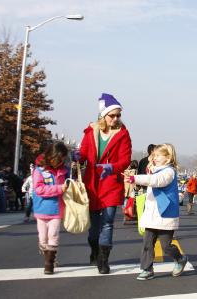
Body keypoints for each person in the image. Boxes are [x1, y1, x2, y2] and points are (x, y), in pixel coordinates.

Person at [77, 93, 132, 274]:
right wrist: (78, 156)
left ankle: (103, 259)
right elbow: (84, 152)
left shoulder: (123, 134)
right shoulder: (91, 131)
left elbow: (125, 160)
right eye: (112, 115)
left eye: (118, 115)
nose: (116, 119)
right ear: (103, 115)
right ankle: (94, 248)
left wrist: (112, 167)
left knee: (107, 222)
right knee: (93, 226)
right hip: (92, 184)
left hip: (110, 183)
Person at [124, 143, 187, 280]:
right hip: (152, 214)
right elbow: (152, 175)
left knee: (166, 246)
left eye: (159, 155)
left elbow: (156, 181)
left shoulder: (169, 172)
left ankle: (180, 258)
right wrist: (149, 168)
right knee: (147, 244)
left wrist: (136, 178)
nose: (155, 158)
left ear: (168, 157)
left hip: (165, 214)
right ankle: (147, 269)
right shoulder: (155, 169)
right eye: (154, 155)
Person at [32, 142, 69, 274]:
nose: (62, 161)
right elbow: (39, 189)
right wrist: (59, 189)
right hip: (41, 210)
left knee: (53, 235)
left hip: (56, 210)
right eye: (61, 158)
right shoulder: (39, 171)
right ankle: (48, 254)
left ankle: (49, 264)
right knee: (43, 239)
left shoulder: (63, 171)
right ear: (54, 156)